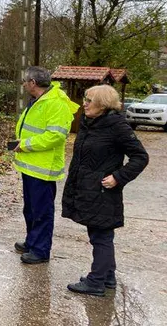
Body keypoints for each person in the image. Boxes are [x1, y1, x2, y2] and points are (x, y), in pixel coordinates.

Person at [62, 85, 148, 296]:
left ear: (103, 104)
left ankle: (96, 282)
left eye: (89, 100)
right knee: (99, 233)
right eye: (85, 99)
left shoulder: (116, 126)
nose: (84, 103)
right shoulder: (90, 123)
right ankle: (107, 276)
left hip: (102, 192)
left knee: (101, 235)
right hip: (87, 189)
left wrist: (118, 177)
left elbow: (140, 157)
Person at [12, 66, 79, 264]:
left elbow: (56, 136)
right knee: (31, 209)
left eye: (25, 81)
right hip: (31, 165)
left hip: (43, 167)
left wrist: (25, 145)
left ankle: (40, 250)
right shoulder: (40, 100)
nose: (24, 84)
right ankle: (32, 241)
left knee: (41, 211)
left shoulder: (55, 103)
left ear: (33, 83)